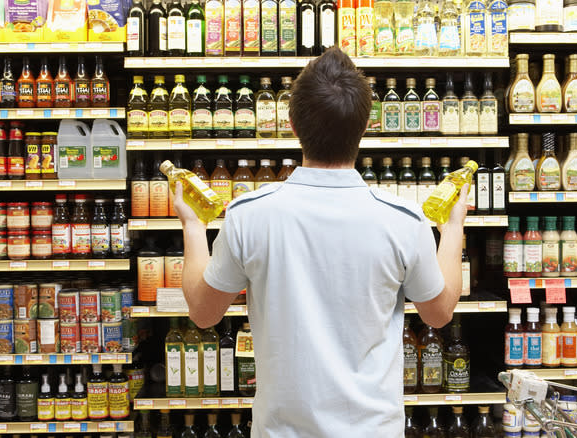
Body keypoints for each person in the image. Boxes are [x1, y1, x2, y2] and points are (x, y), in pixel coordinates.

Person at [172, 47, 467, 437]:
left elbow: (203, 313)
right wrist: (452, 226)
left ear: (292, 124)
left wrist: (192, 226)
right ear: (365, 127)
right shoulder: (402, 221)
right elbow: (439, 312)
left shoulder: (249, 214)